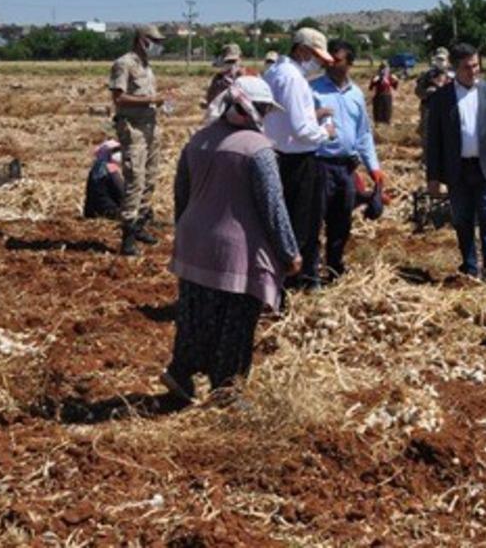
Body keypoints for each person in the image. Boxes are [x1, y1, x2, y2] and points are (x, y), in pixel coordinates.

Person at [162, 77, 301, 403]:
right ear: (253, 108)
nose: (265, 115)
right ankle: (226, 390)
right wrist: (289, 252)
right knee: (236, 323)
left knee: (194, 314)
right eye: (264, 109)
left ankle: (181, 372)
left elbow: (180, 194)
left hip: (194, 242)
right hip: (237, 250)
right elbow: (272, 206)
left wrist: (185, 230)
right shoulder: (259, 150)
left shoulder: (198, 140)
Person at [425, 43, 486, 281]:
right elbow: (433, 140)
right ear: (455, 68)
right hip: (458, 170)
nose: (474, 71)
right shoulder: (441, 98)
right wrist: (433, 177)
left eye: (476, 65)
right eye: (467, 67)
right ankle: (469, 267)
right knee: (463, 219)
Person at [262, 27, 333, 290]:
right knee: (300, 227)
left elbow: (284, 119)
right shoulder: (292, 79)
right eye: (318, 58)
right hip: (298, 163)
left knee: (283, 223)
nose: (320, 65)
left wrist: (312, 116)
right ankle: (292, 285)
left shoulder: (275, 72)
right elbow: (300, 130)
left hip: (279, 156)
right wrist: (325, 131)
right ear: (302, 50)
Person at [310, 39, 384, 281]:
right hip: (319, 164)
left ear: (350, 63)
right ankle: (309, 271)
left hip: (346, 166)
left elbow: (363, 133)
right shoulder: (313, 90)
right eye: (328, 59)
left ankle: (334, 266)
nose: (331, 63)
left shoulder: (356, 95)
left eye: (337, 60)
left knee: (341, 220)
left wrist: (374, 168)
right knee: (313, 220)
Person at [109, 25, 170, 256]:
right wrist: (151, 99)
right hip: (133, 129)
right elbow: (119, 97)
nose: (158, 45)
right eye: (154, 40)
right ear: (142, 40)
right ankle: (128, 236)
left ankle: (141, 225)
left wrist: (159, 101)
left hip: (151, 128)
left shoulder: (147, 66)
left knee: (150, 178)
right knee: (135, 179)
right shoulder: (124, 64)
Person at [416, 47, 452, 150]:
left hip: (448, 109)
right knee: (428, 137)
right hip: (429, 109)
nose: (440, 62)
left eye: (442, 59)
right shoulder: (427, 75)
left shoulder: (454, 75)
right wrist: (427, 92)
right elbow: (418, 91)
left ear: (448, 60)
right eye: (438, 59)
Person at [83, 139, 124, 220]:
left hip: (92, 212)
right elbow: (121, 191)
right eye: (114, 151)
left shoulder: (96, 167)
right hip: (107, 211)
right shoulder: (110, 167)